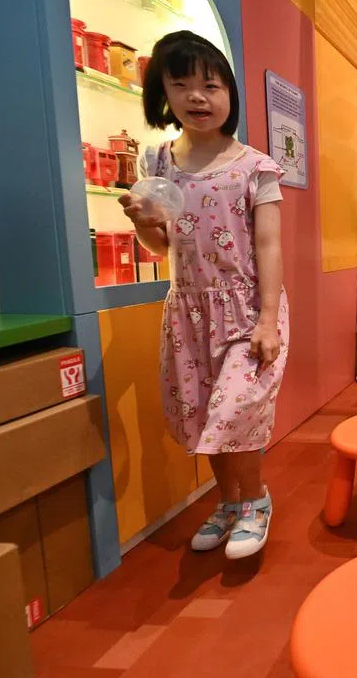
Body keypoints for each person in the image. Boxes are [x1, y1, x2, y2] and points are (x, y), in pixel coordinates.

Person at [118, 31, 288, 560]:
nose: (197, 97)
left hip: (247, 309)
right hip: (188, 309)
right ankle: (229, 502)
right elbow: (159, 243)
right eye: (181, 84)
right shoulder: (160, 164)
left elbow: (269, 245)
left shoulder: (254, 166)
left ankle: (256, 500)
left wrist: (266, 321)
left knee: (236, 409)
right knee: (202, 414)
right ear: (162, 93)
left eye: (210, 85)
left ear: (229, 93)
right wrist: (142, 224)